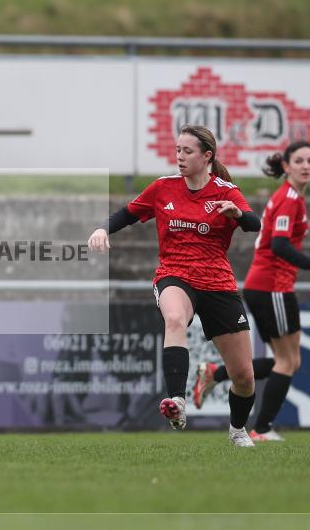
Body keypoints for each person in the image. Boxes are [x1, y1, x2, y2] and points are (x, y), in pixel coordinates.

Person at [88, 124, 262, 447]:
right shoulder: (163, 188)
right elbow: (125, 214)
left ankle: (238, 429)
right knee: (175, 319)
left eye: (187, 151)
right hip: (174, 274)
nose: (179, 157)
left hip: (217, 282)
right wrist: (101, 229)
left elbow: (255, 223)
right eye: (177, 150)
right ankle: (177, 402)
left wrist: (238, 214)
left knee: (244, 376)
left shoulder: (225, 191)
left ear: (207, 156)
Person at [192, 141, 310, 442]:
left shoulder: (293, 197)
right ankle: (261, 429)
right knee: (287, 362)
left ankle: (215, 373)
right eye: (299, 161)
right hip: (271, 286)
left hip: (275, 286)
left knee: (290, 361)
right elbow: (279, 245)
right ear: (286, 166)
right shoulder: (289, 198)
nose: (306, 166)